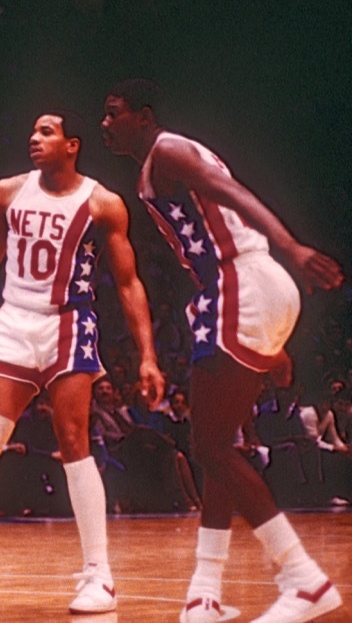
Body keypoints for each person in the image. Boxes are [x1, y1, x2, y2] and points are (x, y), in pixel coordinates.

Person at [101, 79, 345, 623]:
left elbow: (233, 193)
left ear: (144, 116)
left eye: (114, 114)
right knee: (220, 444)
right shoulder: (158, 164)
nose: (105, 124)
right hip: (248, 289)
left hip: (242, 281)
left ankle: (303, 579)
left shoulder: (168, 150)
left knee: (209, 447)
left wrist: (291, 245)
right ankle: (204, 592)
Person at [0, 111, 165, 614]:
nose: (34, 138)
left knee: (74, 442)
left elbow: (129, 283)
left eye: (47, 132)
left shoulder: (103, 203)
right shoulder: (7, 193)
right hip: (14, 322)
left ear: (73, 144)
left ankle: (98, 575)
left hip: (69, 322)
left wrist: (148, 357)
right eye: (33, 130)